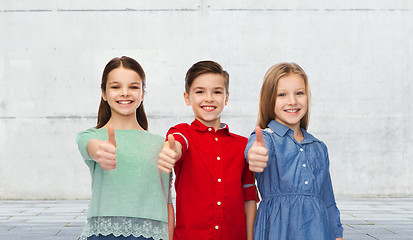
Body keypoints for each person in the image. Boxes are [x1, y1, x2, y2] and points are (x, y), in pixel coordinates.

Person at [157, 60, 259, 240]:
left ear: (226, 98)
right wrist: (171, 152)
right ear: (187, 98)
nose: (209, 98)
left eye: (217, 92)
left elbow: (249, 198)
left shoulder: (243, 146)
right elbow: (177, 145)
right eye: (200, 91)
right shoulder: (182, 133)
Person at [76, 56, 173, 240]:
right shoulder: (91, 136)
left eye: (133, 87)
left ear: (143, 93)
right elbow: (91, 147)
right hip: (104, 235)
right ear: (104, 93)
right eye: (115, 86)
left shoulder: (161, 144)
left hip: (153, 236)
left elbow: (167, 202)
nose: (125, 93)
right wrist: (100, 150)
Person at [245, 63, 344, 240]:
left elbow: (328, 199)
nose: (292, 101)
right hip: (277, 231)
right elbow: (254, 150)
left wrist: (337, 233)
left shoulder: (318, 146)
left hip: (318, 232)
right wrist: (255, 155)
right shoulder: (266, 138)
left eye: (299, 93)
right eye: (282, 94)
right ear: (269, 100)